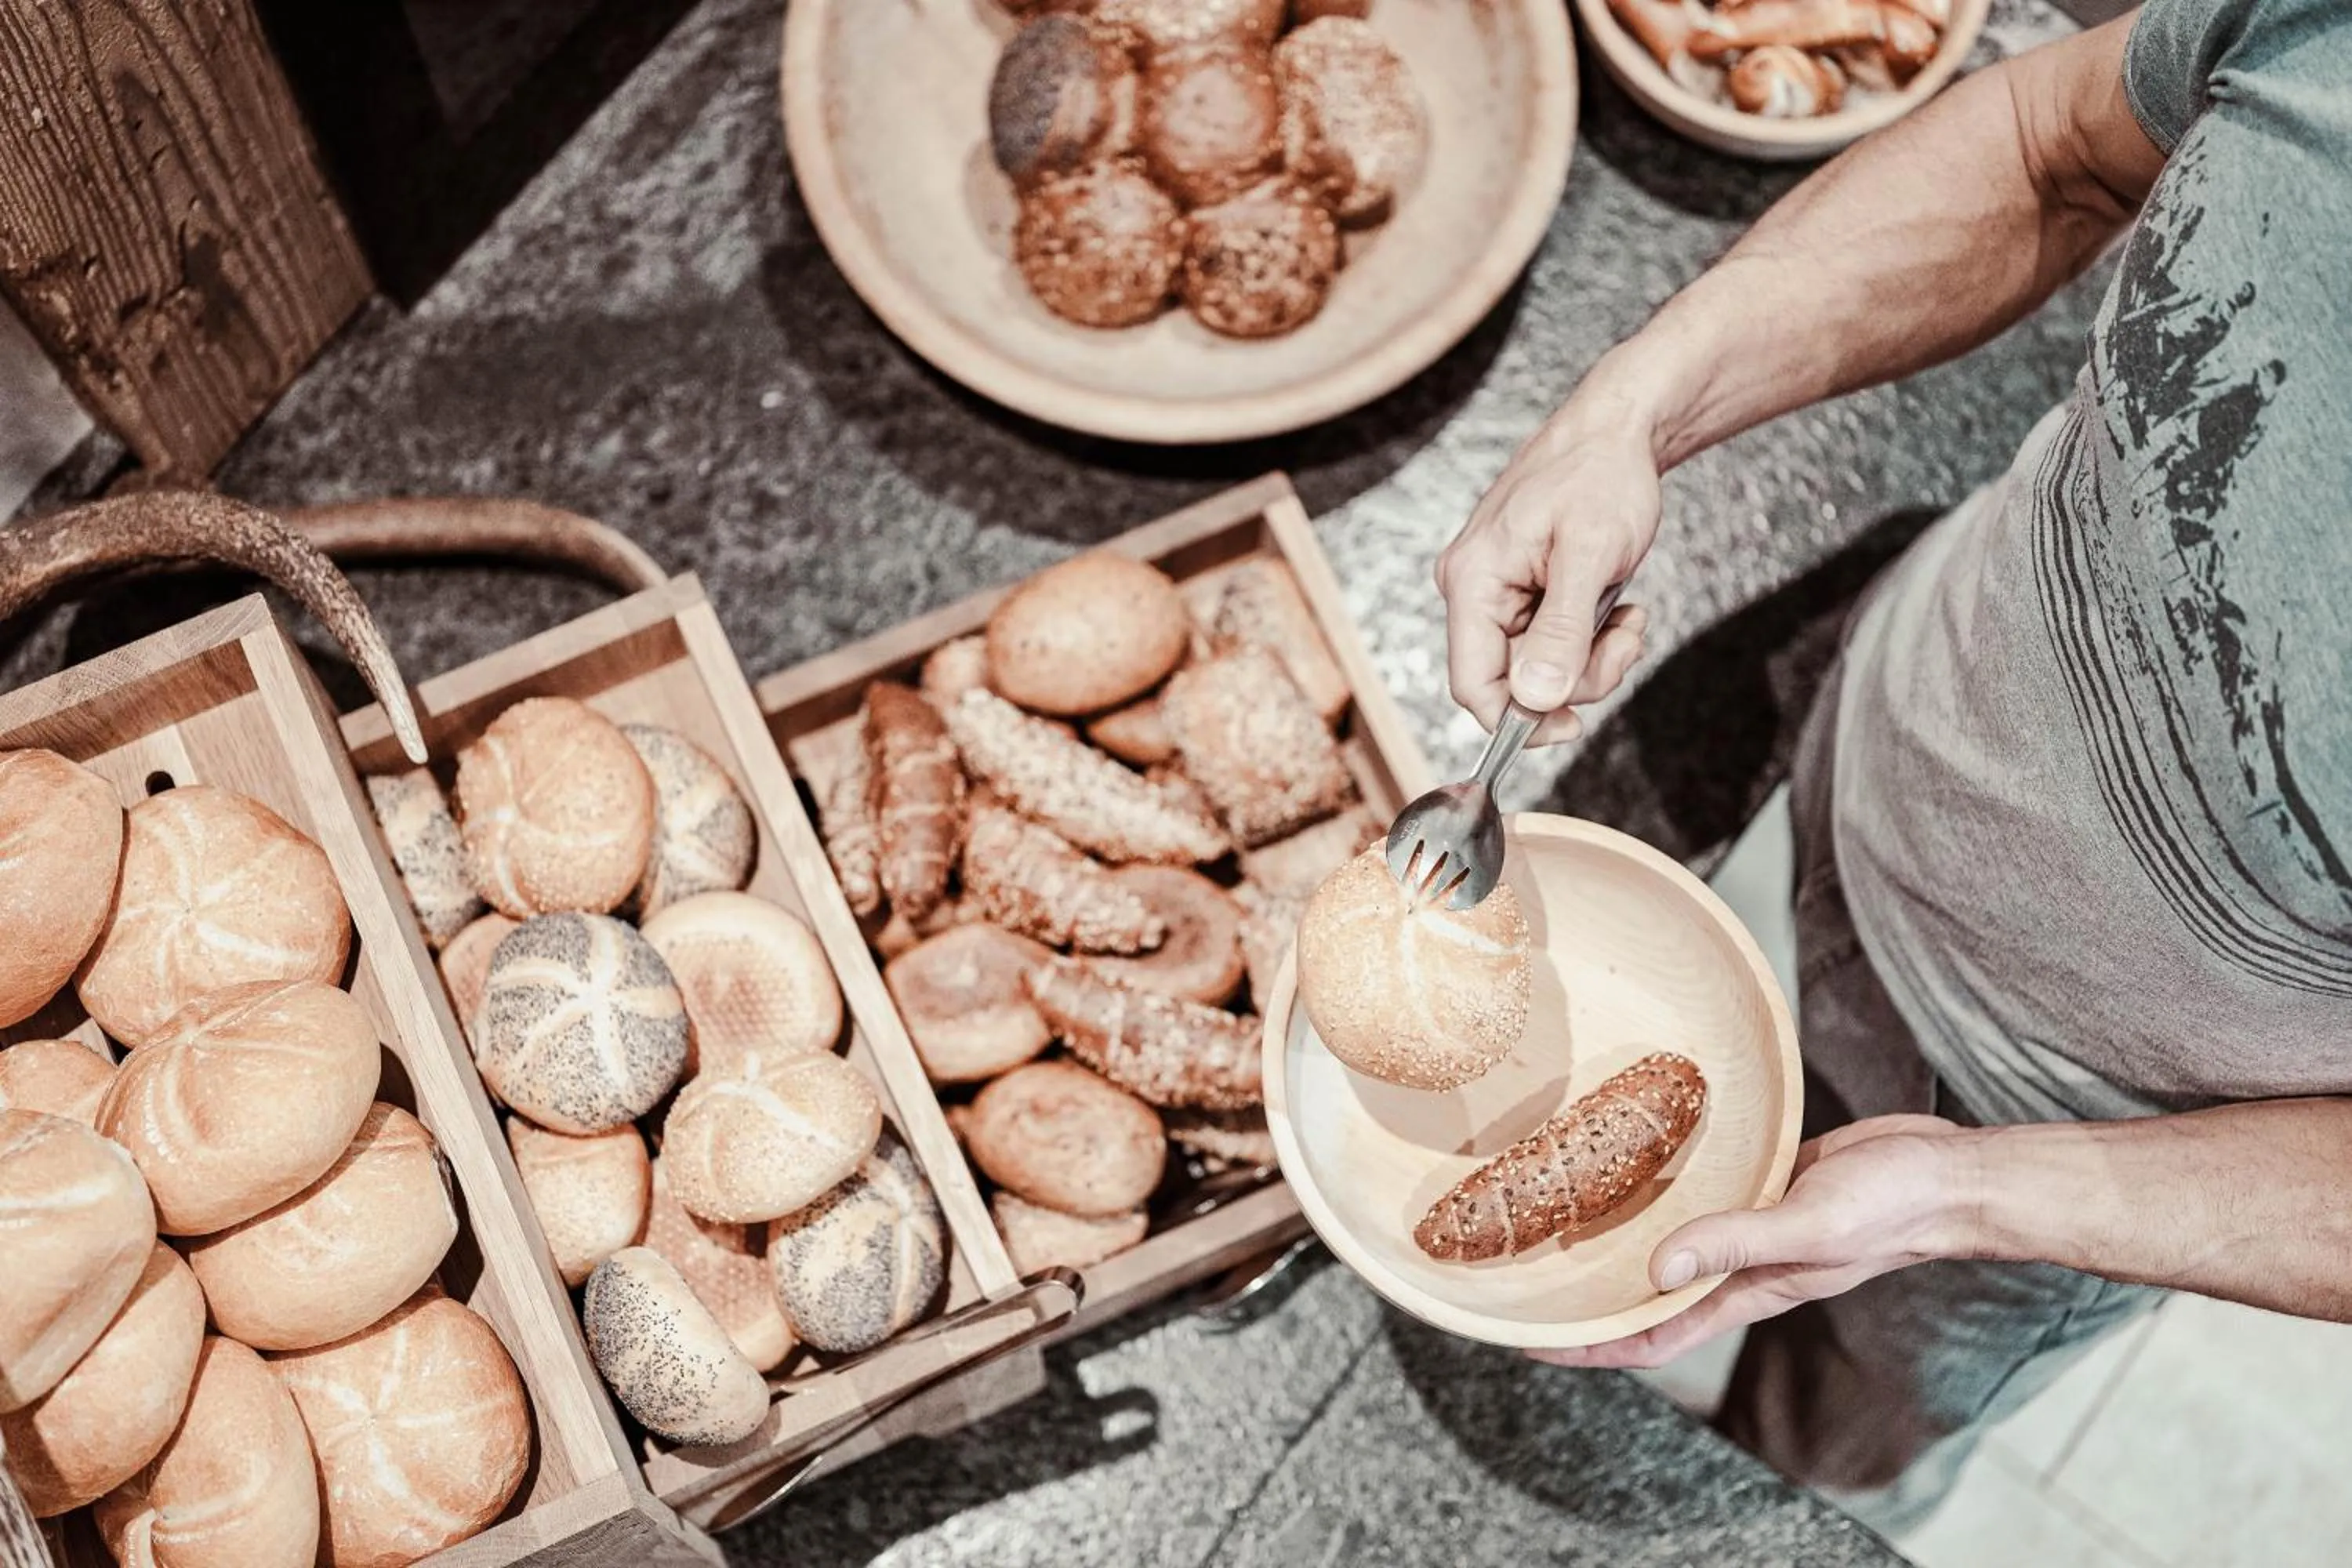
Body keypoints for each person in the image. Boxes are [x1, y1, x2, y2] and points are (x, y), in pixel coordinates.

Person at [1435, 0, 2350, 1534]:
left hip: (2065, 1147)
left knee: (1786, 1464)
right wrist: (1636, 409)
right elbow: (2055, 146)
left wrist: (1971, 1199)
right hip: (1866, 734)